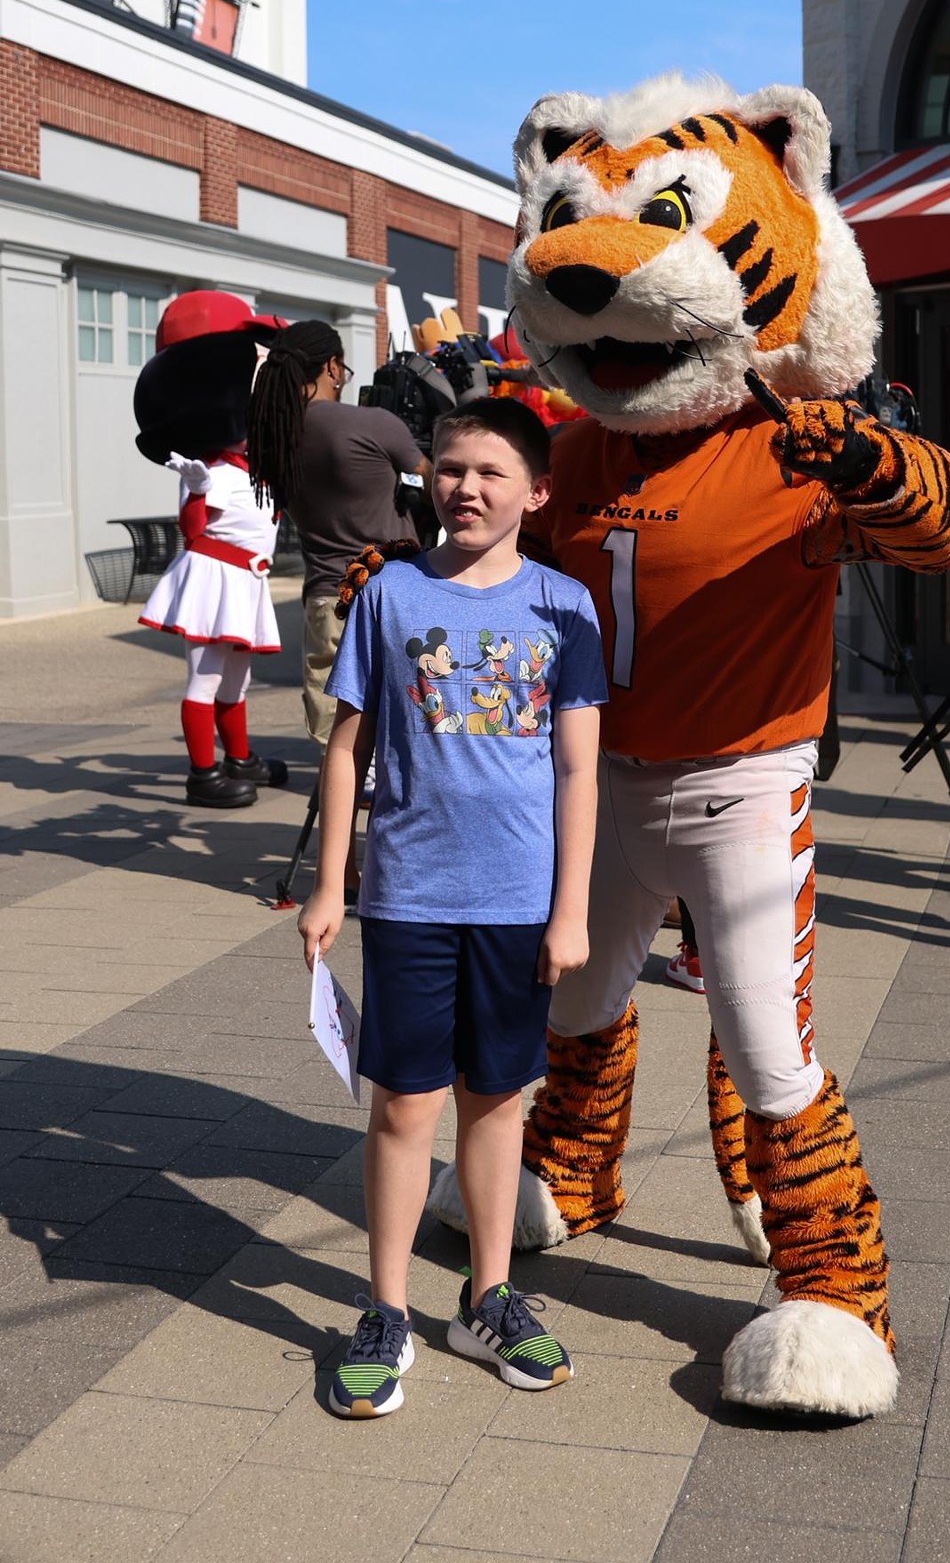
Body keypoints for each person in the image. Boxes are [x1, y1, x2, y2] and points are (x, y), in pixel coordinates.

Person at [297, 396, 607, 1416]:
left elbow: (577, 772)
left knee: (496, 1102)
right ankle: (383, 1308)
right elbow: (347, 748)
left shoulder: (565, 605)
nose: (464, 487)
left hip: (518, 901)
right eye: (450, 469)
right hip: (409, 897)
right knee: (403, 1108)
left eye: (489, 472)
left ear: (536, 492)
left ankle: (488, 1297)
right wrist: (331, 882)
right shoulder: (388, 594)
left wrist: (571, 911)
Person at [246, 320, 428, 749]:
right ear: (331, 366)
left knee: (336, 741)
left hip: (326, 598)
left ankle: (345, 802)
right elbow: (437, 480)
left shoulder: (274, 435)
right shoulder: (375, 424)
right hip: (391, 594)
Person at [138, 445, 287, 809]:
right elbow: (191, 530)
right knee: (205, 680)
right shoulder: (213, 470)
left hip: (244, 581)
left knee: (237, 680)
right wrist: (197, 492)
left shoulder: (253, 471)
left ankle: (239, 760)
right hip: (213, 580)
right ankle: (202, 775)